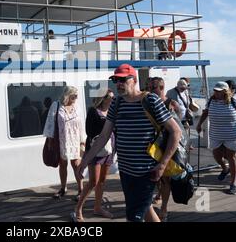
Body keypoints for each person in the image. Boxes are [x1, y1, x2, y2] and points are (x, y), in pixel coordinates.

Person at [78, 64, 182, 222]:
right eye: (115, 80)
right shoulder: (116, 103)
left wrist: (162, 165)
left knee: (134, 216)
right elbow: (104, 136)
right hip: (126, 171)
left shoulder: (150, 100)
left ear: (133, 80)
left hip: (146, 171)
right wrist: (85, 161)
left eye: (122, 80)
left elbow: (176, 131)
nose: (118, 83)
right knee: (146, 209)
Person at [196, 82, 236, 195]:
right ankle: (225, 169)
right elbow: (205, 113)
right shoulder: (211, 101)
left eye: (219, 91)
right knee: (217, 155)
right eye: (215, 90)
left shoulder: (234, 101)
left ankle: (233, 183)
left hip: (232, 134)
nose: (216, 93)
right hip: (216, 133)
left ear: (225, 91)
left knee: (231, 157)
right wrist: (199, 124)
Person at [72, 88, 115, 222]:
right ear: (103, 98)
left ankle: (97, 207)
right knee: (92, 182)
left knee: (102, 181)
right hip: (96, 151)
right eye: (111, 97)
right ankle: (77, 209)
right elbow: (89, 132)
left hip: (109, 150)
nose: (113, 99)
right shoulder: (93, 112)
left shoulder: (113, 111)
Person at [148, 77, 183, 222]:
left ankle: (164, 208)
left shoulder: (171, 104)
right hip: (152, 146)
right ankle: (159, 195)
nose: (149, 91)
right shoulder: (148, 103)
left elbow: (180, 126)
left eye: (153, 87)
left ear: (161, 87)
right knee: (155, 178)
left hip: (165, 146)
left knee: (165, 179)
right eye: (148, 87)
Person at [43, 86, 85, 201]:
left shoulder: (77, 107)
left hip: (75, 140)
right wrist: (50, 140)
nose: (76, 98)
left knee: (76, 165)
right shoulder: (56, 106)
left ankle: (81, 190)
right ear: (67, 95)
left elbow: (81, 124)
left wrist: (82, 141)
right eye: (74, 95)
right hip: (62, 139)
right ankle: (63, 188)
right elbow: (50, 122)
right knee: (63, 164)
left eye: (77, 95)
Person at [166, 79, 194, 148]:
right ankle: (178, 145)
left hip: (185, 116)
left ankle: (187, 145)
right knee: (177, 131)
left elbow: (188, 102)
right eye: (182, 88)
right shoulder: (170, 92)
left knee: (186, 130)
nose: (183, 90)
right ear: (178, 86)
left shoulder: (186, 92)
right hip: (176, 117)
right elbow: (167, 102)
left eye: (185, 88)